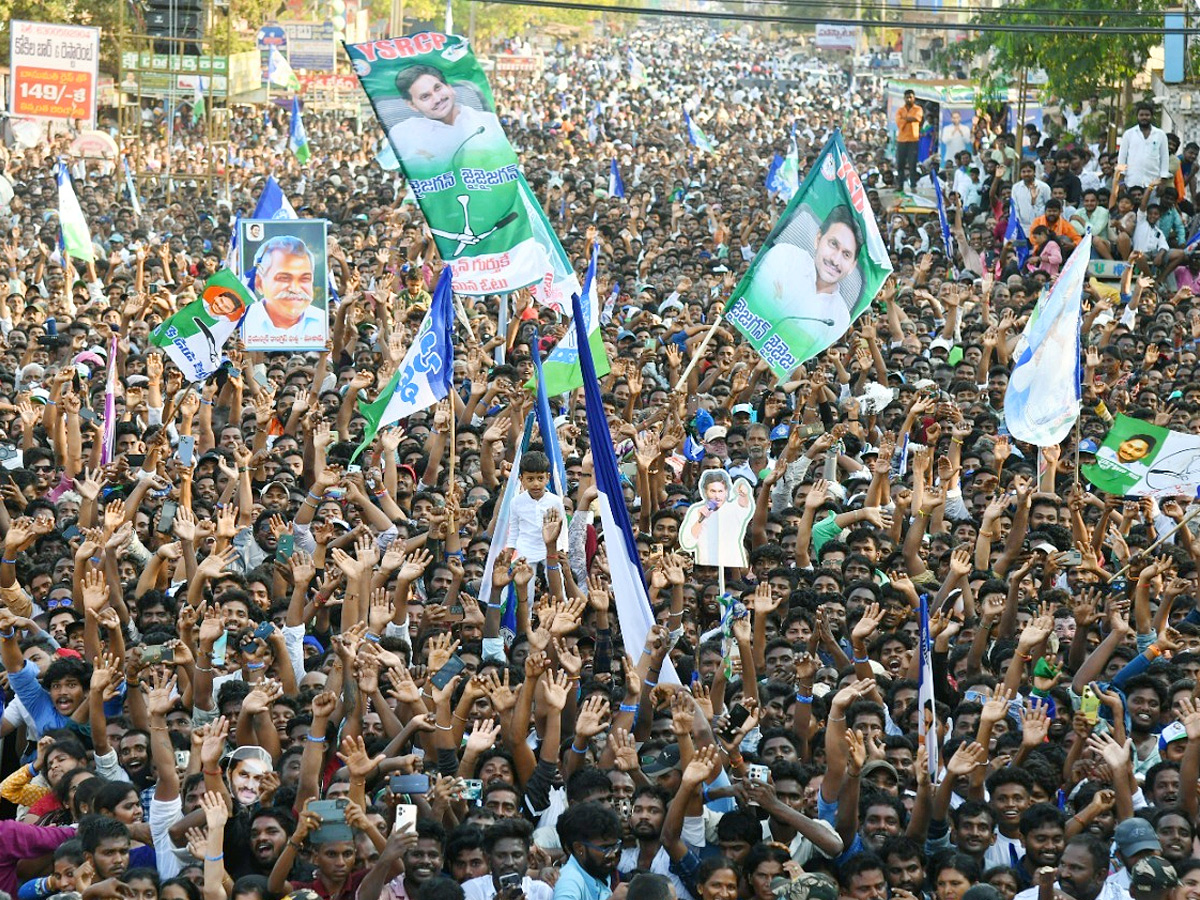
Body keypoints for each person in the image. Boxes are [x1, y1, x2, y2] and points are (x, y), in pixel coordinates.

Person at [734, 204, 865, 365]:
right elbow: (758, 301)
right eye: (833, 244)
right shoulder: (784, 256)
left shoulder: (840, 317)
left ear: (852, 265)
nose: (835, 260)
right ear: (818, 239)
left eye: (846, 254)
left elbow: (806, 353)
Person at [242, 235, 326, 345]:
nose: (295, 289)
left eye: (305, 279)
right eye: (284, 278)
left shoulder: (323, 321)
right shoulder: (243, 321)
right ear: (259, 283)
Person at [896, 91, 924, 191]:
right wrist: (909, 119)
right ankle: (900, 185)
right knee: (900, 164)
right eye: (907, 97)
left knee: (912, 164)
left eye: (910, 97)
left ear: (914, 98)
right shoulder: (900, 110)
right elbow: (899, 123)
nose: (909, 99)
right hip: (902, 140)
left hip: (913, 139)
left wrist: (905, 119)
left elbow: (917, 118)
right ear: (904, 98)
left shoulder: (918, 109)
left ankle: (913, 185)